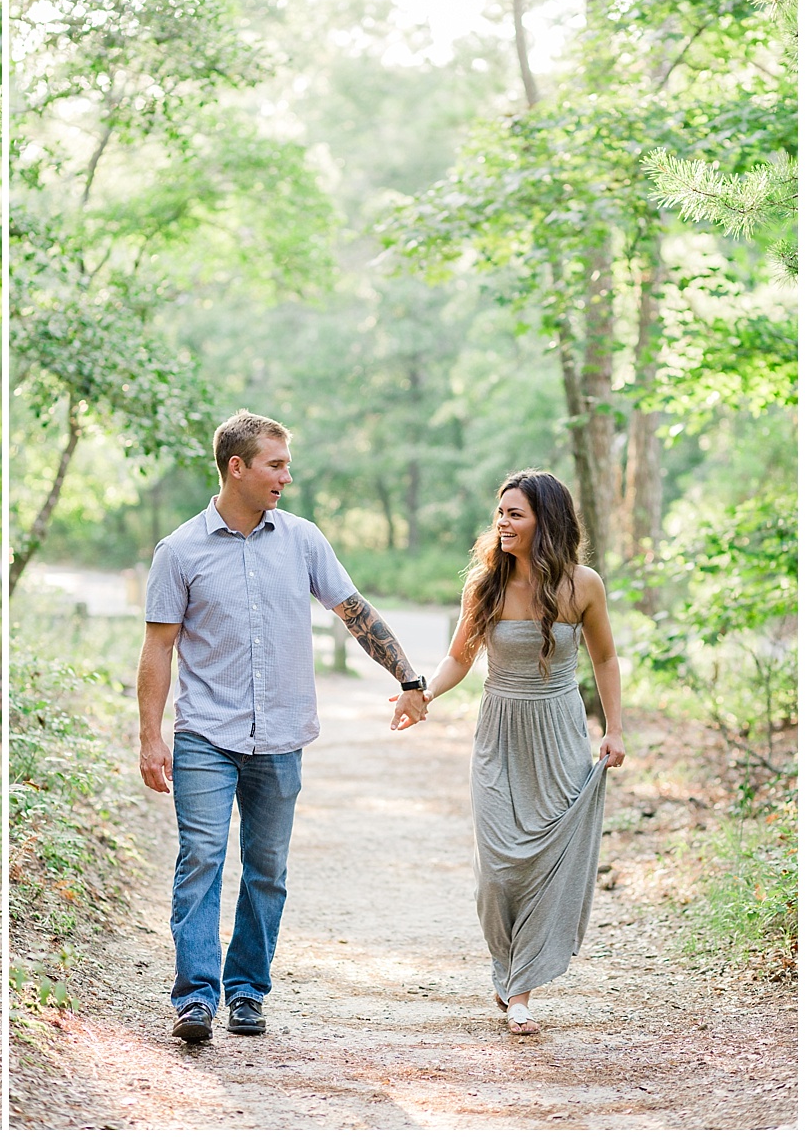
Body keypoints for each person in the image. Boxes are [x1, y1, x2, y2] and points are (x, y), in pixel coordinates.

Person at [137, 410, 429, 1043]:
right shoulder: (179, 551)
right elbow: (158, 647)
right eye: (275, 465)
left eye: (286, 465)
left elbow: (354, 612)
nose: (286, 478)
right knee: (202, 859)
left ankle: (246, 991)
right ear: (236, 467)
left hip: (280, 738)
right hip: (205, 736)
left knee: (266, 870)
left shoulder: (303, 540)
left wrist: (409, 681)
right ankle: (195, 997)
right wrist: (150, 736)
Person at [401, 469, 625, 1036]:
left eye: (515, 514)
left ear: (544, 522)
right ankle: (506, 966)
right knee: (499, 871)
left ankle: (520, 991)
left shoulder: (584, 586)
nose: (502, 523)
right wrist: (424, 692)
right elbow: (460, 656)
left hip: (559, 736)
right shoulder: (485, 585)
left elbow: (604, 660)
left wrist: (615, 729)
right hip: (499, 734)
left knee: (547, 862)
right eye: (500, 513)